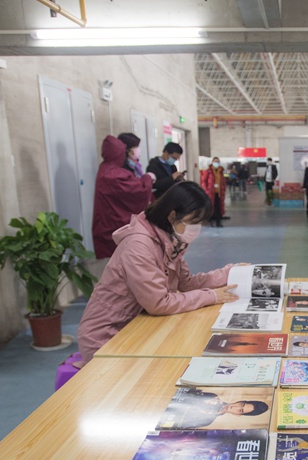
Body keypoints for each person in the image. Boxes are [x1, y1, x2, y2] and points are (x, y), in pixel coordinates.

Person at [76, 181, 239, 366]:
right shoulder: (139, 246)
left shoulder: (170, 240)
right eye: (193, 221)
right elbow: (159, 303)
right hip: (107, 336)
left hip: (137, 325)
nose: (197, 228)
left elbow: (187, 283)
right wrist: (211, 296)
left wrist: (229, 273)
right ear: (172, 216)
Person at [91, 134, 156, 260]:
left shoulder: (105, 168)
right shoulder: (114, 174)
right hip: (115, 224)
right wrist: (148, 178)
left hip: (110, 222)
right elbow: (139, 189)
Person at [169, 389, 270, 428]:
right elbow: (184, 392)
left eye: (240, 410)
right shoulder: (213, 396)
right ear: (239, 401)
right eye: (241, 404)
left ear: (237, 415)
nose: (234, 407)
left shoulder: (207, 421)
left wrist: (203, 412)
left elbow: (176, 425)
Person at [201, 156, 227, 227]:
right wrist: (206, 190)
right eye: (215, 161)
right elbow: (203, 181)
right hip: (210, 192)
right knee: (210, 206)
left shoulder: (221, 171)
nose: (216, 163)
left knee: (218, 207)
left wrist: (223, 188)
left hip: (219, 193)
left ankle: (218, 222)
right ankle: (210, 221)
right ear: (212, 162)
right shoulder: (208, 171)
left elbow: (223, 181)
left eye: (218, 162)